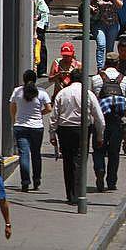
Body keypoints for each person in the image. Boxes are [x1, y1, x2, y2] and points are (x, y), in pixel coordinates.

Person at [49, 69, 105, 204]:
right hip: (82, 130)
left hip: (64, 130)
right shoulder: (88, 94)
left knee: (67, 162)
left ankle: (70, 193)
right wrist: (100, 136)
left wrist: (52, 134)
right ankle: (79, 193)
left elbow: (54, 116)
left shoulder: (62, 93)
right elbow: (99, 117)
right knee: (80, 161)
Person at [91, 53, 126, 192]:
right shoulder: (124, 79)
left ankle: (100, 169)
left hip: (99, 120)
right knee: (114, 152)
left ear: (105, 63)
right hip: (116, 121)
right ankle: (112, 181)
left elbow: (92, 99)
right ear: (117, 63)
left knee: (98, 149)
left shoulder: (96, 79)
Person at [10, 70, 51, 192]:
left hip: (21, 126)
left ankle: (25, 182)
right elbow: (49, 109)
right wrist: (40, 113)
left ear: (24, 79)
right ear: (35, 79)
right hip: (37, 127)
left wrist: (14, 119)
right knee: (36, 154)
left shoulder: (17, 91)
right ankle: (37, 180)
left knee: (24, 154)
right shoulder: (42, 93)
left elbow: (12, 106)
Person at [90, 0, 124, 70]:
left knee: (110, 48)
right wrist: (91, 8)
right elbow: (85, 3)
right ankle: (100, 68)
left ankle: (109, 68)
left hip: (113, 24)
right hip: (99, 23)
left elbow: (120, 6)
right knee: (101, 45)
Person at [34, 0, 50, 77]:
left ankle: (41, 69)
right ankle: (41, 70)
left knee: (41, 47)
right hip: (39, 25)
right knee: (41, 47)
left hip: (42, 25)